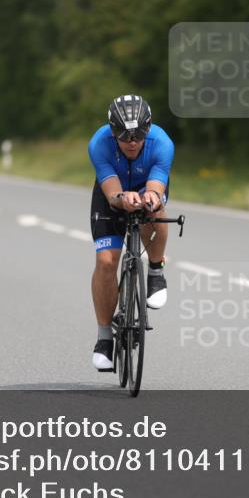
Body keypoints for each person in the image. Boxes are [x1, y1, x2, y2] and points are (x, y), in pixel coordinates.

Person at [88, 94, 174, 371]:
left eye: (138, 135)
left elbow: (156, 185)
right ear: (113, 132)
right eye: (124, 135)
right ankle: (104, 338)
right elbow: (112, 191)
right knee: (105, 261)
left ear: (148, 129)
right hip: (111, 195)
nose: (132, 141)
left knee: (155, 210)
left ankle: (156, 271)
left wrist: (151, 197)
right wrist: (121, 199)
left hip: (146, 186)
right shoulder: (99, 143)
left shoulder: (162, 143)